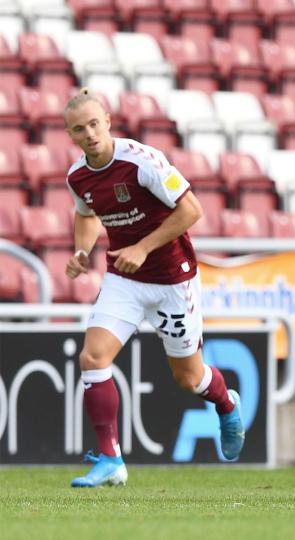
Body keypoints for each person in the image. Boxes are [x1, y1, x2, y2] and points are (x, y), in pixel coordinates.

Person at [62, 89, 245, 487]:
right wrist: (81, 250)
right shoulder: (78, 176)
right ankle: (111, 460)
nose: (89, 133)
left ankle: (226, 402)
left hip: (171, 279)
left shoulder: (141, 161)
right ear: (71, 135)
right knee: (93, 358)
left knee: (188, 378)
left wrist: (144, 247)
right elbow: (87, 214)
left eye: (94, 124)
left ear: (108, 121)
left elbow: (193, 210)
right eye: (79, 129)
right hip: (124, 279)